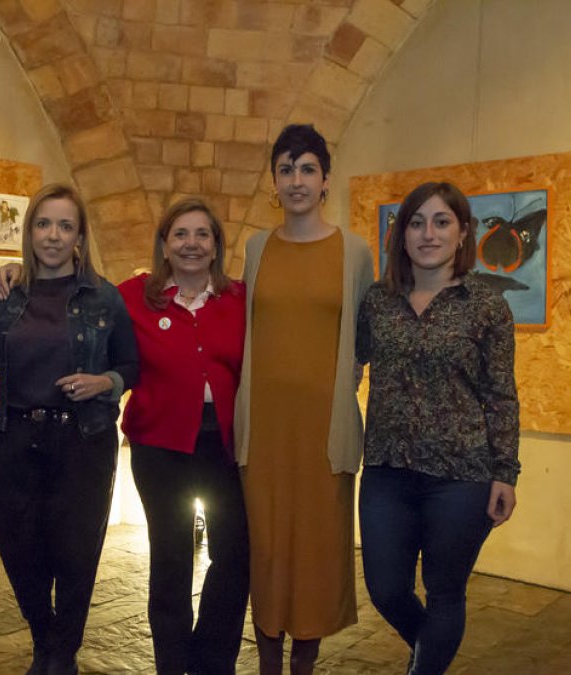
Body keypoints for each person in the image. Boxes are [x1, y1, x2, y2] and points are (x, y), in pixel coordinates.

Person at [355, 181, 520, 675]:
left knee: (446, 591)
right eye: (416, 222)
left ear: (462, 232)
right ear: (401, 234)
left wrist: (506, 472)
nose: (428, 233)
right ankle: (430, 651)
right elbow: (346, 364)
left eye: (441, 221)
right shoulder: (377, 302)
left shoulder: (487, 305)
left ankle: (423, 666)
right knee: (386, 589)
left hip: (462, 477)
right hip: (387, 470)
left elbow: (500, 394)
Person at [235, 124, 374, 674]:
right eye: (286, 168)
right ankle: (269, 664)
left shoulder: (354, 252)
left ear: (325, 180)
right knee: (266, 550)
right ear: (275, 179)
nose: (296, 180)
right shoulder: (256, 248)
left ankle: (304, 667)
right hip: (264, 432)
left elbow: (363, 340)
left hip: (324, 433)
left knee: (316, 554)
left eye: (307, 168)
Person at [0, 183, 139, 675]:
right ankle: (43, 636)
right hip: (15, 438)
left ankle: (60, 655)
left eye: (65, 226)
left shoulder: (103, 297)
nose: (53, 236)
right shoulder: (7, 294)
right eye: (43, 224)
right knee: (18, 545)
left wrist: (104, 382)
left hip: (82, 441)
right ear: (29, 231)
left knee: (75, 556)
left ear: (79, 236)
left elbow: (131, 365)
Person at [119, 198, 250, 675]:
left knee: (235, 557)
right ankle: (173, 664)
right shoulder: (134, 296)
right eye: (181, 234)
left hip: (226, 447)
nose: (191, 244)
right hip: (160, 448)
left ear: (216, 245)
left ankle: (212, 662)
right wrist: (13, 276)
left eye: (202, 234)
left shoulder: (239, 298)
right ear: (164, 245)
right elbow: (80, 295)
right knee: (171, 561)